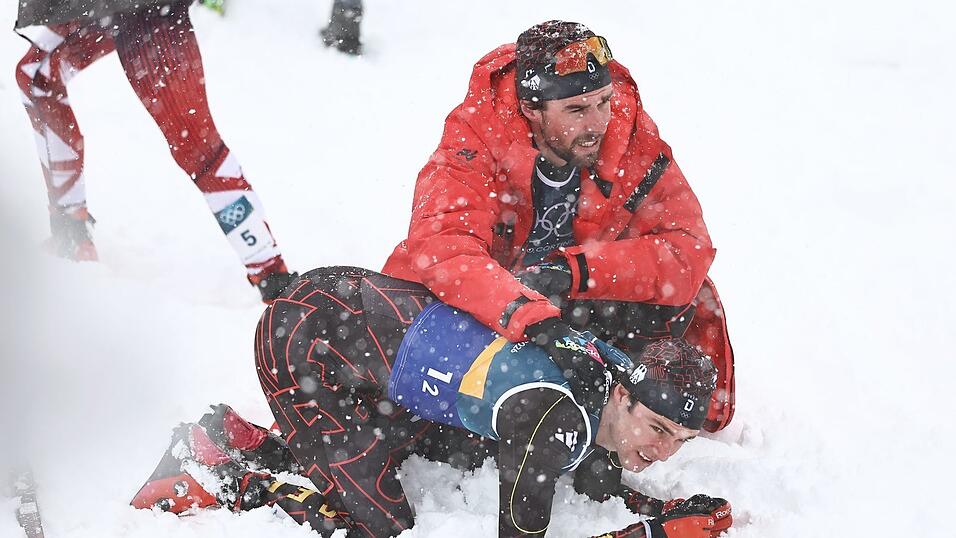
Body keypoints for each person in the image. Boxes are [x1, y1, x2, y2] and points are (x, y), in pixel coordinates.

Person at [132, 266, 732, 537]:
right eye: (658, 429)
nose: (664, 451)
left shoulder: (598, 369)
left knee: (411, 453)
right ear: (624, 395)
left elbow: (594, 474)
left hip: (355, 320)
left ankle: (236, 440)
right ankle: (211, 472)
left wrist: (649, 508)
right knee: (384, 524)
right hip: (311, 343)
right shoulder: (553, 420)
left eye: (679, 441)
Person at [380, 20, 734, 430]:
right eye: (576, 110)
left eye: (603, 102)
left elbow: (687, 246)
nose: (598, 123)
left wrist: (574, 271)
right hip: (490, 303)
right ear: (531, 109)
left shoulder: (630, 134)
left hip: (573, 295)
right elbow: (445, 247)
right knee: (424, 406)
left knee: (680, 289)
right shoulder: (476, 135)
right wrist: (529, 314)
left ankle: (620, 412)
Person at [14, 0, 296, 301]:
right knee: (36, 77)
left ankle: (274, 279)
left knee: (197, 148)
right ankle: (71, 233)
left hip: (147, 12)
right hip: (103, 7)